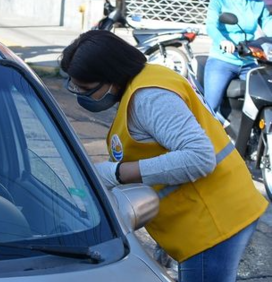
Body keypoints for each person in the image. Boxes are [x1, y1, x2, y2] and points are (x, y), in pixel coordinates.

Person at [59, 29, 268, 282]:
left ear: (111, 77)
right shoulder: (149, 79)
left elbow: (199, 158)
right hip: (216, 212)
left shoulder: (149, 97)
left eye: (86, 88)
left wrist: (117, 173)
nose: (81, 94)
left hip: (213, 223)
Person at [204, 0, 272, 123]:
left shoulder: (257, 3)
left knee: (265, 98)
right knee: (209, 108)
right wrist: (223, 41)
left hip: (249, 61)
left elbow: (269, 25)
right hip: (222, 60)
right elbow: (211, 26)